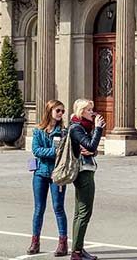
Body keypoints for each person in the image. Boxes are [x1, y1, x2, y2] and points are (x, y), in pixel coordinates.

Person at [29, 100, 70, 256]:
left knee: (58, 207)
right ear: (49, 111)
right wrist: (53, 151)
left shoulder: (63, 132)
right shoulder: (38, 131)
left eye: (62, 111)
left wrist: (50, 152)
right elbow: (36, 150)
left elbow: (63, 153)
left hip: (57, 174)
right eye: (58, 110)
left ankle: (63, 243)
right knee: (39, 209)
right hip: (40, 173)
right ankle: (35, 242)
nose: (60, 114)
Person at [68, 99, 105, 260]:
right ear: (81, 111)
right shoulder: (77, 128)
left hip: (86, 169)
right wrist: (98, 129)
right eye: (89, 110)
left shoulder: (83, 127)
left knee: (80, 212)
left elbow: (90, 149)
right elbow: (90, 145)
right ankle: (76, 252)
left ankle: (78, 248)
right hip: (83, 172)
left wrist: (92, 150)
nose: (93, 113)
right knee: (84, 212)